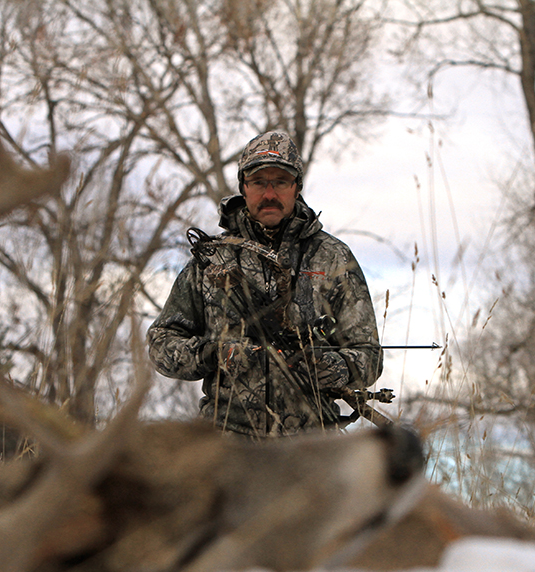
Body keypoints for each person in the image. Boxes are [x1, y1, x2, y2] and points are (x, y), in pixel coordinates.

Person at [147, 131, 383, 437]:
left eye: (281, 182)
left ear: (297, 187)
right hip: (227, 443)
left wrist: (327, 366)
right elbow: (161, 344)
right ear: (243, 188)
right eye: (259, 182)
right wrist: (215, 354)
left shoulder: (333, 258)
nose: (269, 193)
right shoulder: (213, 258)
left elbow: (369, 357)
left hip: (312, 446)